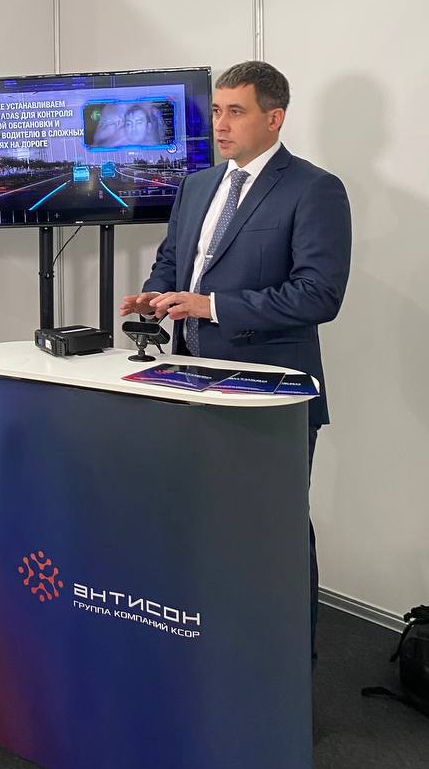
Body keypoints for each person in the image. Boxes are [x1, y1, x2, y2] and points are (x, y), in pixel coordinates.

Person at [119, 60, 351, 656]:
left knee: (272, 531)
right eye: (217, 111)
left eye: (236, 112)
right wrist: (155, 295)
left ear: (274, 119)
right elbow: (174, 261)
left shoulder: (315, 189)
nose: (220, 125)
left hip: (266, 394)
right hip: (186, 381)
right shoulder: (196, 185)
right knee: (200, 523)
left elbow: (318, 295)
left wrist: (213, 306)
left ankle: (289, 662)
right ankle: (216, 646)